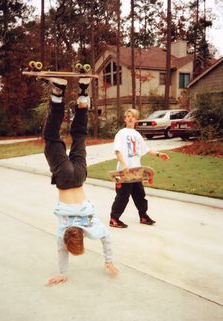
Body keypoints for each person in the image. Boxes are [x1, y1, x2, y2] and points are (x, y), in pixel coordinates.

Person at [43, 75, 118, 285]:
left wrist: (109, 260)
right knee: (52, 137)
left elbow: (107, 239)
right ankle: (58, 92)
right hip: (65, 179)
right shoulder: (62, 232)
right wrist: (62, 273)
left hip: (80, 176)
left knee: (80, 136)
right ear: (67, 239)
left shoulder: (92, 227)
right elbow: (61, 252)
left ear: (83, 238)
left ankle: (84, 92)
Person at [109, 108, 169, 228]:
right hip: (124, 172)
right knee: (122, 197)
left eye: (133, 116)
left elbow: (145, 150)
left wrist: (158, 154)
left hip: (136, 172)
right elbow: (117, 151)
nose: (130, 118)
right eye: (128, 116)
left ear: (136, 119)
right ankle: (114, 219)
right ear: (125, 119)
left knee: (140, 195)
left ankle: (143, 216)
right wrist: (124, 164)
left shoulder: (137, 134)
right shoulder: (121, 133)